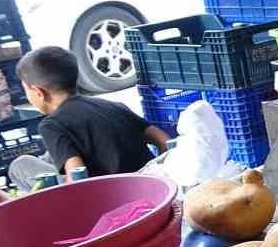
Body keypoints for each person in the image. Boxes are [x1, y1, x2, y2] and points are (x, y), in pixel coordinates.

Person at [17, 47, 169, 180]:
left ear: (39, 92)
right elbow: (164, 141)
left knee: (20, 166)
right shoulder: (113, 106)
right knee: (51, 156)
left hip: (107, 193)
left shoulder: (51, 125)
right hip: (148, 182)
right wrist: (162, 176)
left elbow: (77, 174)